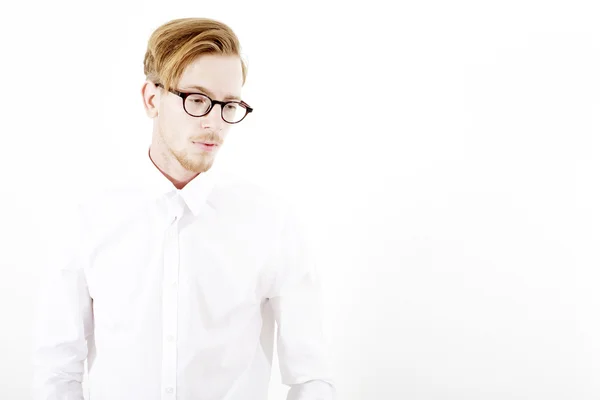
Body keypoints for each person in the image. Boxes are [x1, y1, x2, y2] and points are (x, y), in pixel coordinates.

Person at [32, 17, 335, 400]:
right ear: (151, 98)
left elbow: (311, 378)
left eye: (229, 105)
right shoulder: (89, 220)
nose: (214, 122)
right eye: (196, 99)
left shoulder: (272, 222)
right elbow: (58, 371)